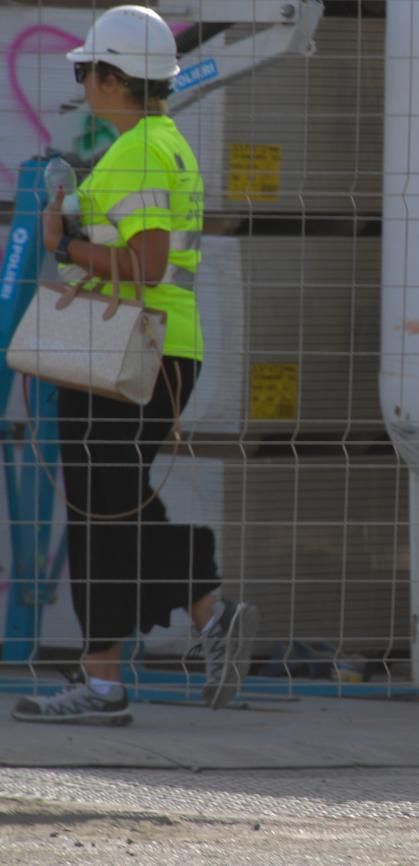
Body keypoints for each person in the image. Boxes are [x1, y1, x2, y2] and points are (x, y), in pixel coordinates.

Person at [12, 5, 257, 726]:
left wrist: (64, 244)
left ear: (115, 78)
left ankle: (105, 683)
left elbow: (145, 264)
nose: (82, 81)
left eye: (87, 70)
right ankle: (208, 617)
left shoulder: (143, 152)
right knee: (116, 505)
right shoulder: (156, 141)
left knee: (102, 513)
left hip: (129, 349)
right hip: (148, 348)